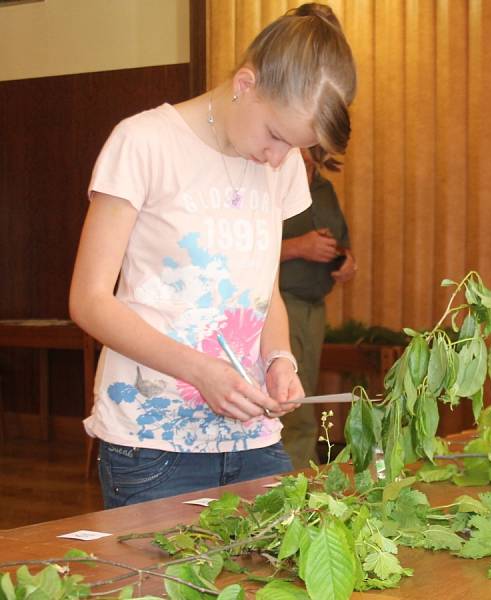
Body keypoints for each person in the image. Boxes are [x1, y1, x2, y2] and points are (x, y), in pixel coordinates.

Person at [68, 3, 357, 508]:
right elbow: (90, 300)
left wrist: (280, 358)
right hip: (152, 444)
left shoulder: (280, 165)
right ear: (245, 83)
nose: (277, 159)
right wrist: (200, 371)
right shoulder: (144, 142)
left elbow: (261, 285)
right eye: (274, 136)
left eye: (294, 148)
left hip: (254, 439)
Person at [279, 148, 356, 469]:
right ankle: (293, 478)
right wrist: (298, 247)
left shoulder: (324, 189)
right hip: (281, 302)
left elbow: (341, 241)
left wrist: (347, 261)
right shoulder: (271, 179)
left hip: (314, 305)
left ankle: (302, 473)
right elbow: (244, 247)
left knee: (304, 395)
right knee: (292, 402)